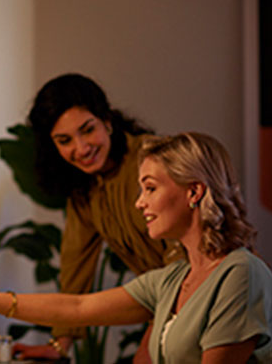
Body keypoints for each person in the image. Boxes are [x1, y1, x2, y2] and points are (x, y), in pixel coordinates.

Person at [0, 132, 272, 363]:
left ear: (194, 192)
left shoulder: (240, 275)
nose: (139, 203)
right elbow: (79, 307)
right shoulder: (173, 279)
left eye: (150, 188)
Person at [19, 73, 169, 361]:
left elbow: (187, 263)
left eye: (87, 130)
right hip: (172, 314)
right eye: (64, 140)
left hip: (223, 305)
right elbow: (75, 270)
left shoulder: (156, 159)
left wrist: (151, 343)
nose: (81, 149)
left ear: (108, 121)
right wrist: (59, 346)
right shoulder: (83, 190)